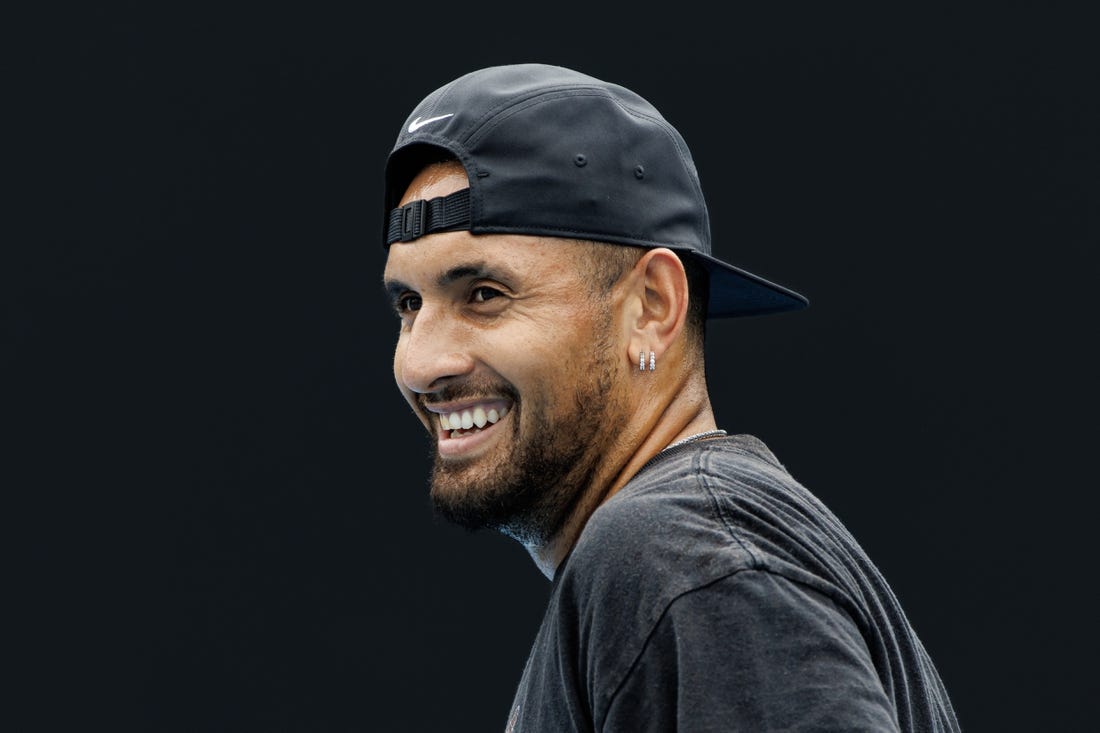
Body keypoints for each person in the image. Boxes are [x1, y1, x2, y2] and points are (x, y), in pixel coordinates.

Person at [379, 63, 960, 732]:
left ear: (652, 308)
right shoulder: (679, 555)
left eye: (484, 294)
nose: (421, 362)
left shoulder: (681, 557)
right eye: (409, 303)